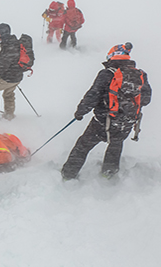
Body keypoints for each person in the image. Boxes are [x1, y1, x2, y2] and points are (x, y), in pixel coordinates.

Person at [61, 43, 151, 180]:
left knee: (83, 145)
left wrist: (80, 112)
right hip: (126, 122)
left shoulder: (107, 74)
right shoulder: (141, 75)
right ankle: (108, 174)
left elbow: (93, 95)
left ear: (111, 57)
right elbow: (145, 100)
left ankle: (68, 174)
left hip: (104, 121)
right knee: (115, 146)